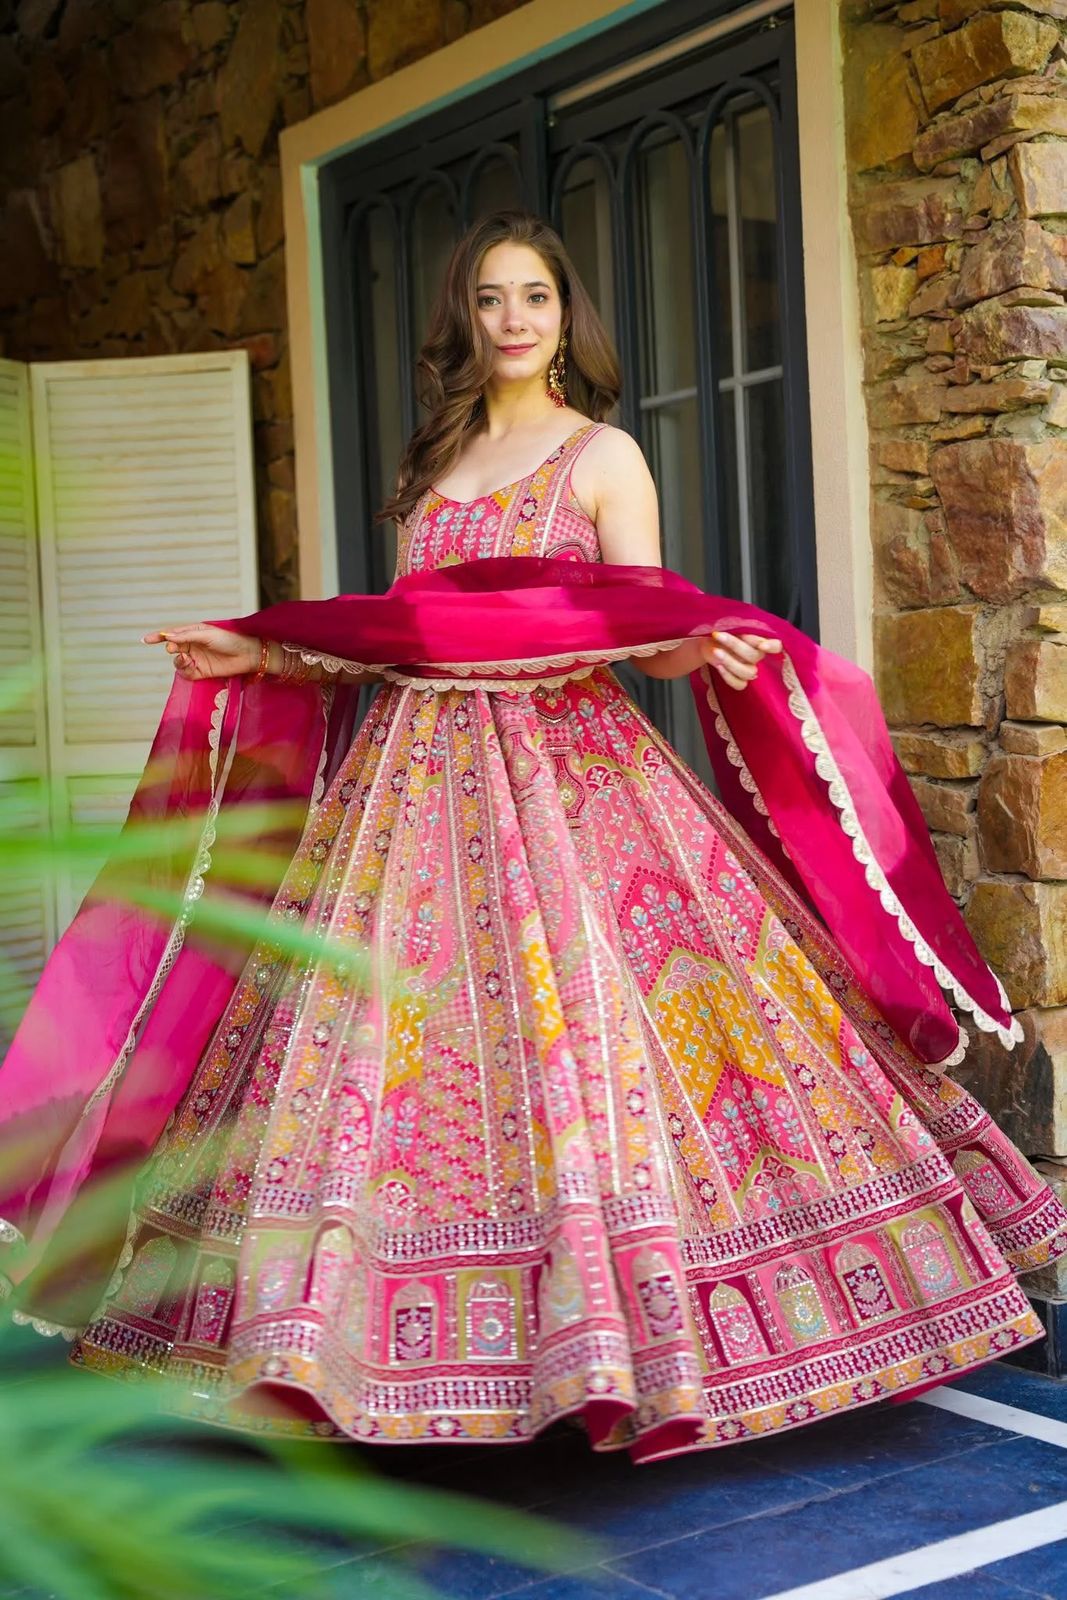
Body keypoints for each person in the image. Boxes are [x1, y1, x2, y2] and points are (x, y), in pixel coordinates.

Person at [3, 212, 1065, 1462]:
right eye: (492, 299)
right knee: (390, 1055)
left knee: (603, 1042)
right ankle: (326, 1345)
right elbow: (394, 633)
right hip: (410, 793)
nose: (513, 319)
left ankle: (637, 1340)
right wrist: (261, 648)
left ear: (568, 319)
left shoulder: (603, 456)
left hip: (578, 782)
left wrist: (700, 647)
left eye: (536, 298)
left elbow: (642, 617)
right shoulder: (432, 466)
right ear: (466, 319)